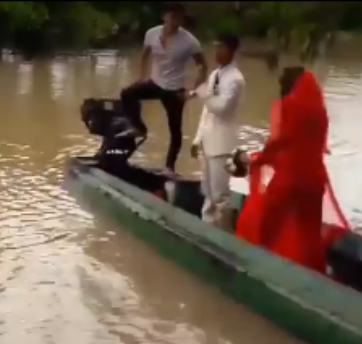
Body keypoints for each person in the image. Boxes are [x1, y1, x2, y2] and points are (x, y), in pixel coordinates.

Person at [235, 67, 348, 273]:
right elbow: (315, 146)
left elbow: (277, 144)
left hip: (289, 180)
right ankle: (316, 272)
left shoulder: (286, 107)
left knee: (266, 226)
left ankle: (256, 267)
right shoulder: (321, 114)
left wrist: (257, 159)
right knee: (310, 235)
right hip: (314, 181)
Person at [120, 3, 207, 173]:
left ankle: (169, 167)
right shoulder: (151, 34)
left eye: (179, 17)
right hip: (155, 82)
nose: (175, 21)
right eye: (172, 16)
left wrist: (193, 92)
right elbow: (145, 55)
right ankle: (139, 127)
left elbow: (202, 66)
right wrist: (142, 78)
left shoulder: (190, 41)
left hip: (175, 90)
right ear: (164, 17)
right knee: (127, 94)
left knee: (175, 130)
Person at [190, 33, 245, 230]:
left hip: (222, 145)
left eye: (221, 48)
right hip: (207, 140)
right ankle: (208, 230)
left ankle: (225, 235)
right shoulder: (215, 74)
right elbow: (207, 110)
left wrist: (202, 91)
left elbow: (222, 108)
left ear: (231, 51)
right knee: (208, 193)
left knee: (221, 196)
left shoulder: (235, 80)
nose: (216, 52)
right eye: (215, 47)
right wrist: (197, 139)